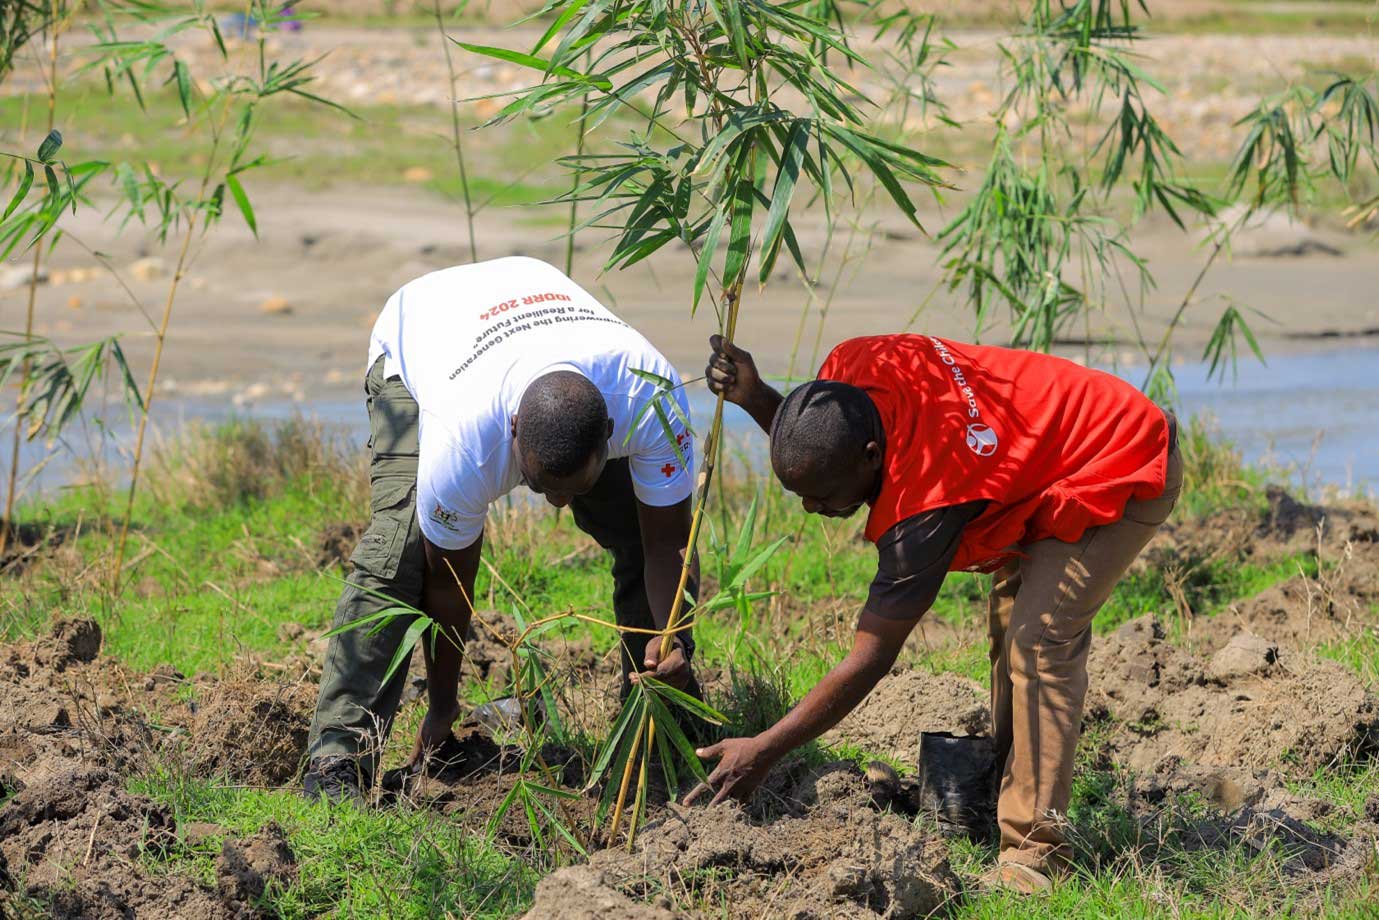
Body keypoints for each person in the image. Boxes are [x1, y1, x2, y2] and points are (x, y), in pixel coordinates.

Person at [693, 333, 1181, 894]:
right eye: (803, 496)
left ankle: (1035, 857)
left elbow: (870, 659)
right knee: (1011, 624)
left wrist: (764, 750)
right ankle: (1003, 789)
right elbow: (823, 444)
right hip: (1046, 453)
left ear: (873, 458)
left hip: (1122, 457)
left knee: (1038, 644)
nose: (812, 509)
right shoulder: (852, 371)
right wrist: (758, 399)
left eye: (823, 497)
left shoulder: (924, 510)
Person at [303, 256, 700, 803]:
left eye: (573, 487)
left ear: (611, 431)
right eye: (541, 486)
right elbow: (449, 588)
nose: (559, 504)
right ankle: (336, 760)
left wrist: (672, 634)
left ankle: (657, 722)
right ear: (514, 431)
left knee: (637, 526)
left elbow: (667, 543)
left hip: (529, 292)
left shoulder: (651, 401)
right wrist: (443, 707)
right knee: (401, 552)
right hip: (423, 326)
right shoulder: (465, 442)